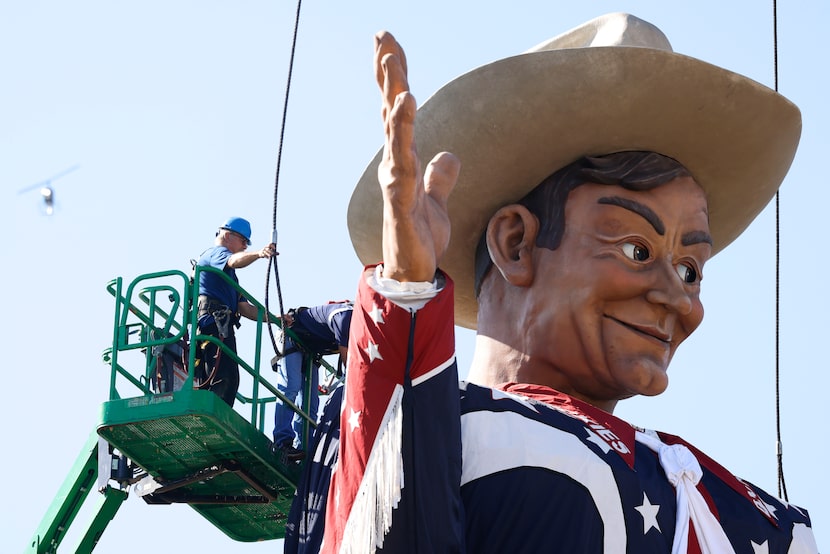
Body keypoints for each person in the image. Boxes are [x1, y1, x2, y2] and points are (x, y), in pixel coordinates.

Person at [287, 13, 818, 553]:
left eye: (690, 270)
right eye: (637, 250)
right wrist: (404, 299)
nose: (678, 298)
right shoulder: (439, 431)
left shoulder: (752, 517)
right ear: (517, 243)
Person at [195, 216, 275, 406]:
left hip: (221, 325)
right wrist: (259, 254)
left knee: (228, 377)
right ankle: (214, 418)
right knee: (224, 376)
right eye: (243, 241)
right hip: (212, 323)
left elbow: (246, 309)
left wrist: (276, 319)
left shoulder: (229, 278)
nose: (245, 246)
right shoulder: (216, 254)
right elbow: (233, 261)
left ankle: (215, 415)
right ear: (228, 235)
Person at [272, 302, 353, 462]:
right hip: (292, 334)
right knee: (291, 387)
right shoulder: (347, 317)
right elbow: (350, 364)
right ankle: (282, 443)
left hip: (310, 349)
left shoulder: (358, 323)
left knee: (311, 403)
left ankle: (305, 452)